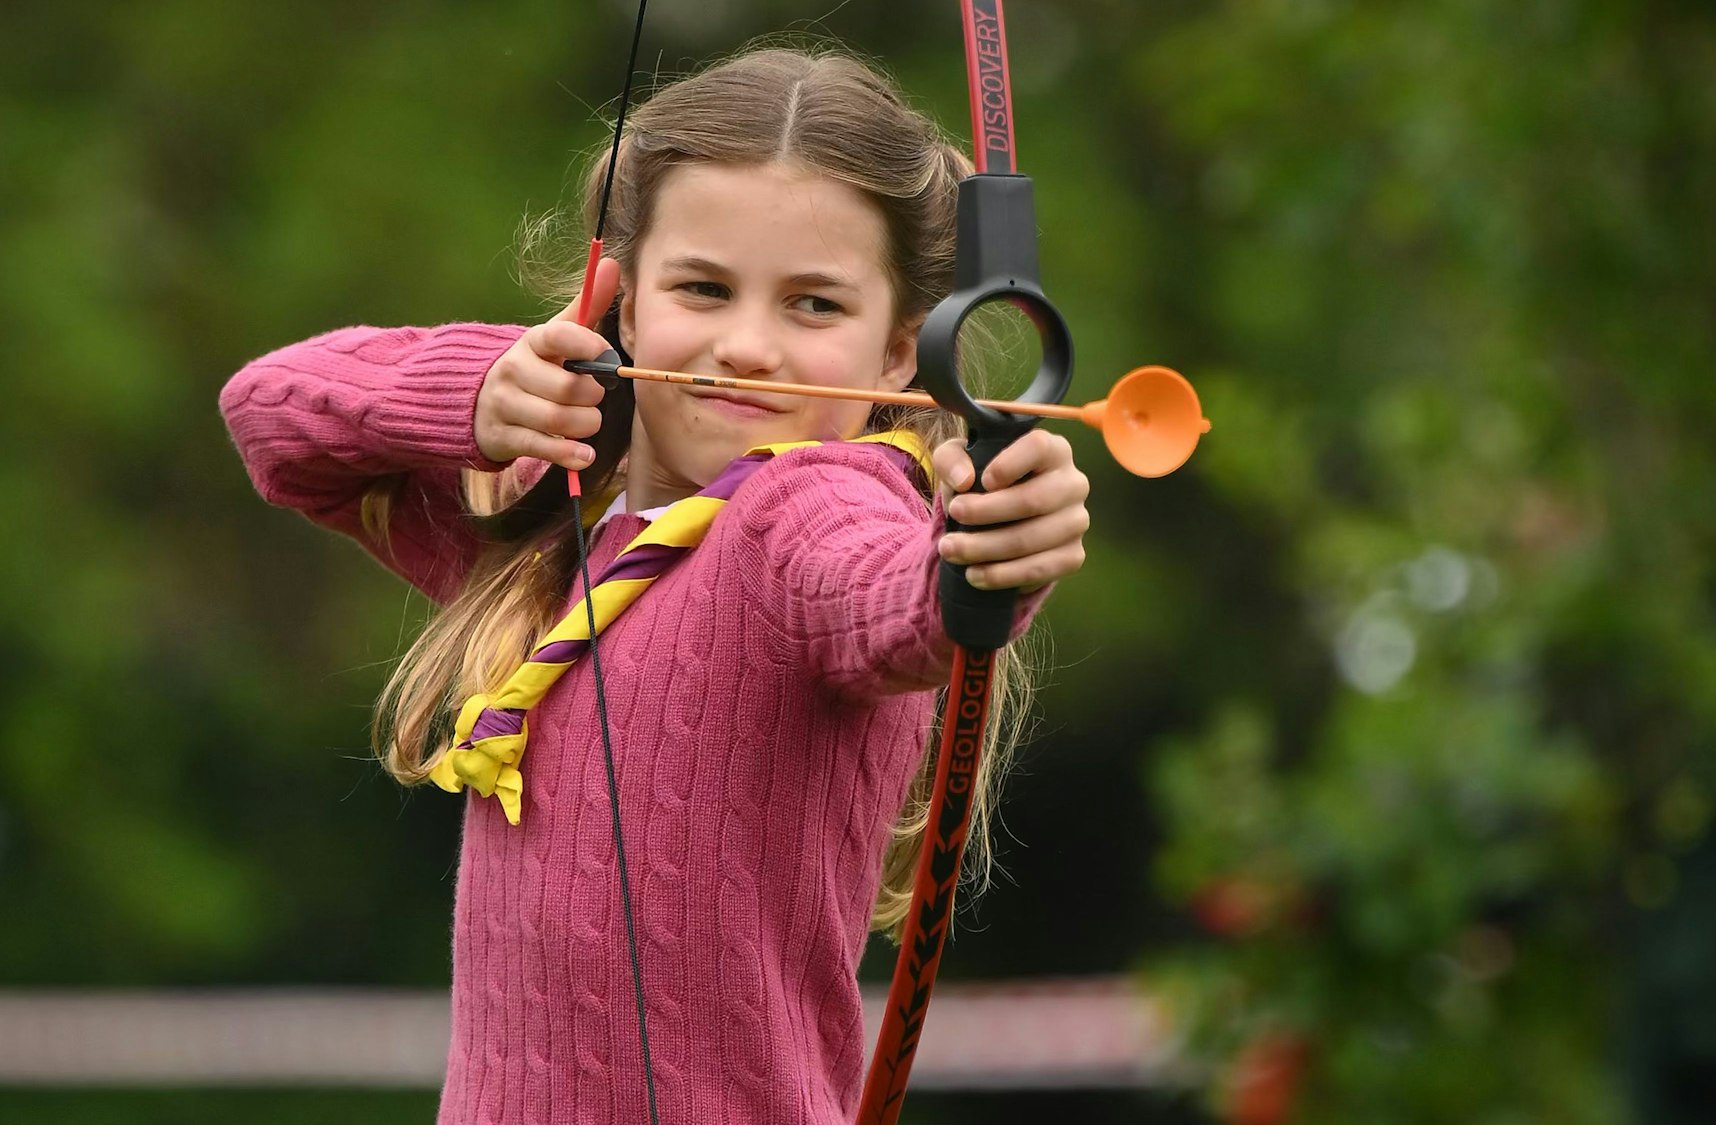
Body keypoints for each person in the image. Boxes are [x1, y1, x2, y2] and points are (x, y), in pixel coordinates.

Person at [219, 46, 1090, 1124]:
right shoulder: (544, 521)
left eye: (813, 305)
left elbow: (893, 604)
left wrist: (990, 551)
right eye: (701, 287)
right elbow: (272, 415)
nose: (745, 346)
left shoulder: (808, 511)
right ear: (620, 302)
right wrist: (486, 391)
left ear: (903, 347)